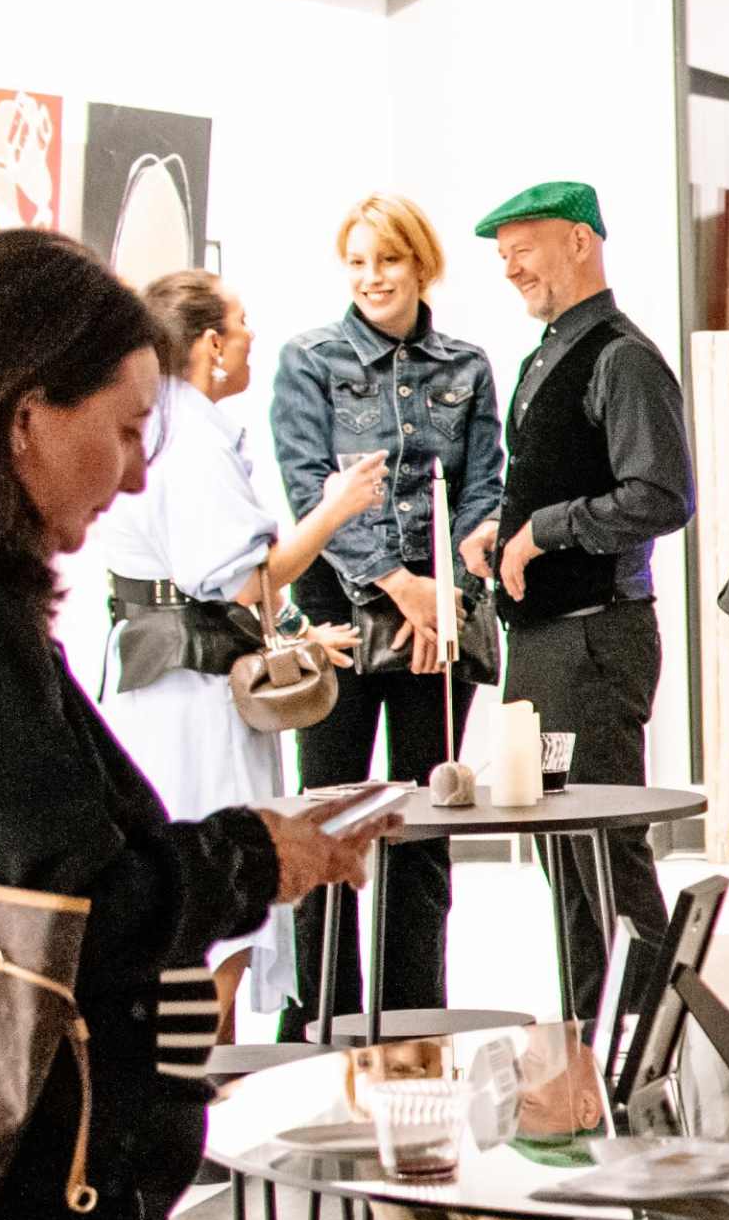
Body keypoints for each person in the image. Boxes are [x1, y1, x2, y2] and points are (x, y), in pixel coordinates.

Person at [0, 228, 387, 1220]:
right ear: (26, 414)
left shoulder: (6, 628)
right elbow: (61, 886)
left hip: (56, 1188)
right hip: (44, 1200)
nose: (142, 470)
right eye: (126, 426)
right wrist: (243, 862)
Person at [94, 271, 379, 1041]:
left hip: (162, 683)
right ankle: (203, 1116)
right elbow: (242, 575)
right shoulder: (189, 438)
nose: (254, 334)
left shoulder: (162, 426)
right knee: (216, 909)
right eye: (243, 321)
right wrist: (337, 508)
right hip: (194, 699)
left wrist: (292, 635)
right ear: (212, 345)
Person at [271, 193, 508, 1036]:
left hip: (436, 619)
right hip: (339, 614)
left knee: (423, 828)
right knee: (328, 821)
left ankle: (412, 1025)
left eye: (388, 259)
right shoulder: (308, 360)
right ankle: (325, 1024)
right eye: (358, 261)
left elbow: (485, 492)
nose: (372, 277)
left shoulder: (468, 366)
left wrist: (449, 599)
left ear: (420, 265)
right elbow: (311, 492)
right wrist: (399, 583)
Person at [459, 181, 691, 1021]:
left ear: (582, 242)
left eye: (524, 245)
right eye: (503, 251)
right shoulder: (551, 353)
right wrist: (503, 526)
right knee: (568, 854)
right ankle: (588, 1042)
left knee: (604, 852)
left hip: (595, 642)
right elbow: (569, 473)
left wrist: (545, 529)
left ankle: (647, 1043)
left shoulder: (621, 357)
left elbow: (662, 494)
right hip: (551, 643)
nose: (508, 264)